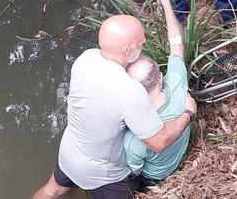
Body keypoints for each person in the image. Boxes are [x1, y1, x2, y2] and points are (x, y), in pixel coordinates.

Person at [33, 15, 196, 199]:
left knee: (52, 190)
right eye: (141, 39)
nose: (145, 41)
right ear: (127, 49)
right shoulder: (131, 91)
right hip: (105, 175)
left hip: (70, 154)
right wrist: (188, 114)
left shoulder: (85, 59)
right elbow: (159, 142)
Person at [123, 0, 195, 189]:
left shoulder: (135, 138)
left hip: (156, 176)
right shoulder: (178, 84)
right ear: (160, 78)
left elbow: (134, 171)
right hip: (180, 154)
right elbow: (176, 44)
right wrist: (166, 3)